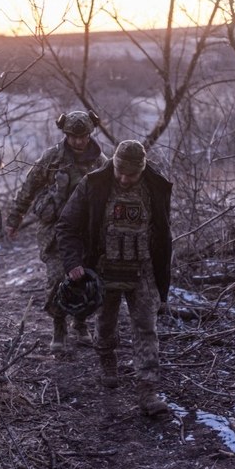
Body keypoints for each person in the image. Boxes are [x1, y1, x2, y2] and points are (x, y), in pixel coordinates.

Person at [56, 140, 172, 416]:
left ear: (142, 170)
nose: (124, 178)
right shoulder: (94, 184)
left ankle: (148, 389)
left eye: (131, 174)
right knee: (105, 325)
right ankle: (107, 361)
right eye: (120, 171)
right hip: (103, 269)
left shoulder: (156, 186)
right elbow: (66, 225)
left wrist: (162, 277)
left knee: (146, 327)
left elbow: (163, 232)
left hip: (142, 269)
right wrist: (73, 264)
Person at [5, 110, 107, 353]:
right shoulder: (52, 158)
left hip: (86, 232)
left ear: (90, 134)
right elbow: (29, 187)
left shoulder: (100, 162)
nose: (79, 141)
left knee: (85, 277)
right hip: (54, 230)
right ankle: (58, 326)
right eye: (73, 136)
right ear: (66, 134)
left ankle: (80, 323)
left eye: (83, 136)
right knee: (56, 278)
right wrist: (15, 218)